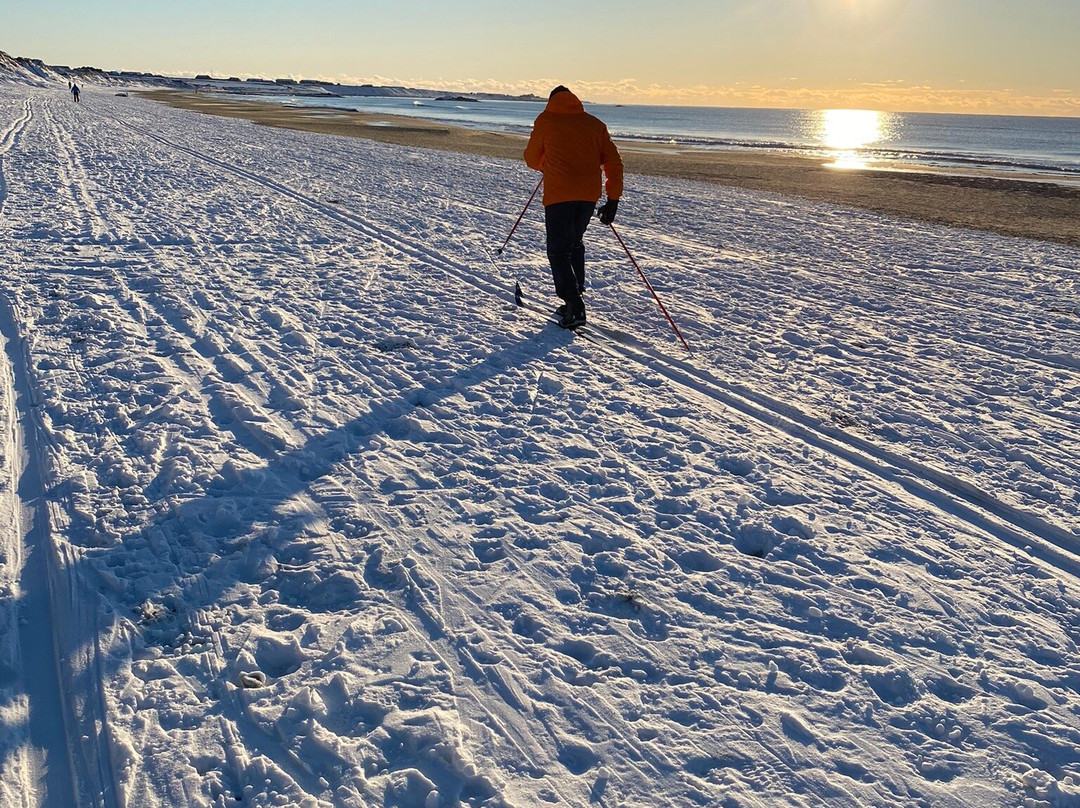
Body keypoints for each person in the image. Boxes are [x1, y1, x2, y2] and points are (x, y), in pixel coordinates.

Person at [524, 85, 623, 329]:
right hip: (588, 196)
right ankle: (574, 297)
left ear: (551, 101)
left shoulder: (546, 120)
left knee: (558, 250)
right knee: (574, 243)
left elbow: (531, 158)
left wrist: (547, 165)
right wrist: (613, 199)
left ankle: (574, 304)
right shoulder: (594, 124)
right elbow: (614, 162)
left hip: (559, 195)